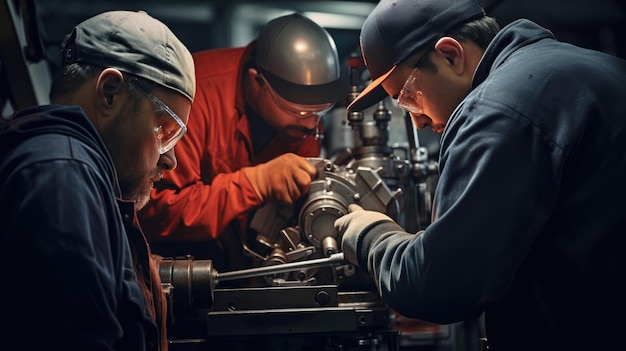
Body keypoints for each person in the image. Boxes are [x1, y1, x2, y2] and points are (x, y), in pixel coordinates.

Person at [334, 0, 626, 350]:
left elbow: (438, 287)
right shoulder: (586, 69)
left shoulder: (499, 108)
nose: (417, 120)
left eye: (408, 97)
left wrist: (370, 234)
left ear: (450, 55)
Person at [0, 10, 195, 350]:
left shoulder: (79, 177)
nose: (171, 160)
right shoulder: (62, 177)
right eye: (165, 130)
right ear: (109, 92)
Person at [138, 13, 349, 272]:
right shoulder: (196, 93)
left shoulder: (303, 124)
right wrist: (254, 185)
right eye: (300, 111)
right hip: (178, 271)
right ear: (256, 81)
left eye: (319, 112)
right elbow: (154, 211)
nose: (309, 124)